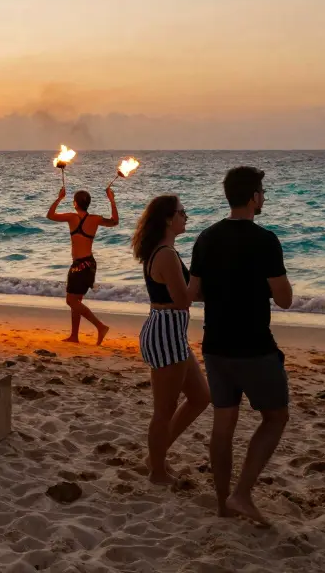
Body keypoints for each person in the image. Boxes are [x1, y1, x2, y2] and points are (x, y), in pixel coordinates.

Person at [188, 166, 292, 525]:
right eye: (262, 192)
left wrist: (224, 290)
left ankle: (222, 502)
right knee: (276, 415)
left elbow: (192, 293)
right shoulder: (265, 240)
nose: (264, 198)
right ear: (253, 197)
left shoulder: (206, 237)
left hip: (216, 342)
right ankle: (242, 493)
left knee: (223, 424)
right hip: (254, 345)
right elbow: (285, 299)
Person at [132, 194, 211, 485]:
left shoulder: (167, 251)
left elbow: (191, 294)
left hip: (169, 331)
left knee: (201, 397)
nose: (185, 216)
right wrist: (201, 277)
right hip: (165, 331)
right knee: (163, 411)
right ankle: (157, 470)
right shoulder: (165, 254)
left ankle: (156, 456)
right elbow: (183, 300)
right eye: (182, 212)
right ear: (168, 218)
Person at [46, 186, 119, 344]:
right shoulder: (95, 219)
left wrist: (59, 198)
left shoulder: (72, 217)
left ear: (75, 203)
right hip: (89, 264)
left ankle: (100, 326)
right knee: (76, 300)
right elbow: (115, 222)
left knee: (71, 301)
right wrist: (111, 200)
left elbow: (50, 215)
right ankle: (74, 336)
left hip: (80, 266)